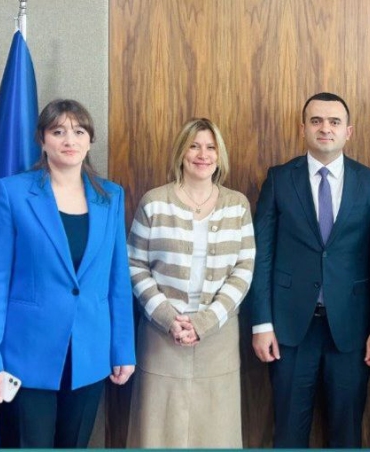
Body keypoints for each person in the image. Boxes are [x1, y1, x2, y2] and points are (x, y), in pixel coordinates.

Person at [0, 99, 136, 448]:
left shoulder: (111, 197)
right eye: (58, 131)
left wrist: (123, 349)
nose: (69, 140)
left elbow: (117, 281)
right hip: (23, 357)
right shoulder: (12, 192)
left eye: (79, 131)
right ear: (42, 140)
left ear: (90, 141)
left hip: (89, 355)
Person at [249, 92, 370, 448]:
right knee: (288, 434)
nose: (325, 128)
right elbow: (261, 255)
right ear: (303, 129)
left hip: (351, 331)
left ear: (348, 131)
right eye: (316, 121)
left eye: (334, 122)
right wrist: (262, 323)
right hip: (289, 330)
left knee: (346, 434)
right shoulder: (279, 179)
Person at [126, 118, 255, 448]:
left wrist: (205, 322)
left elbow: (244, 269)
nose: (202, 154)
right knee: (157, 434)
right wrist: (168, 318)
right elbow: (134, 264)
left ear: (219, 155)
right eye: (194, 146)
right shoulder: (154, 202)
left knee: (215, 434)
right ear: (181, 152)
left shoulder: (237, 205)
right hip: (161, 339)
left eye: (210, 147)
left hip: (218, 341)